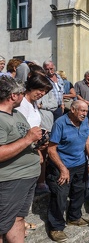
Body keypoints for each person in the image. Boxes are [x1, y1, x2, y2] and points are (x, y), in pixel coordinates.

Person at [0, 77, 43, 242]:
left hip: (27, 176)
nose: (23, 96)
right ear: (12, 96)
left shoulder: (17, 114)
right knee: (3, 224)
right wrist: (27, 139)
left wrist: (37, 142)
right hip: (12, 179)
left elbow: (23, 139)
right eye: (20, 93)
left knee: (18, 219)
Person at [46, 100, 89, 242]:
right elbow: (51, 149)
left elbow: (87, 141)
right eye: (82, 111)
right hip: (62, 164)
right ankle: (56, 227)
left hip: (80, 163)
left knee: (79, 191)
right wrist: (62, 169)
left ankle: (74, 217)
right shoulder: (60, 123)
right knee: (60, 196)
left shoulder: (84, 121)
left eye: (86, 111)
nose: (85, 114)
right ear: (73, 110)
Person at [16, 73, 53, 194]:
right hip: (24, 145)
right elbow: (21, 127)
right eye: (41, 90)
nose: (42, 94)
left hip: (33, 144)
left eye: (45, 92)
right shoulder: (22, 104)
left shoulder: (34, 103)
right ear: (32, 87)